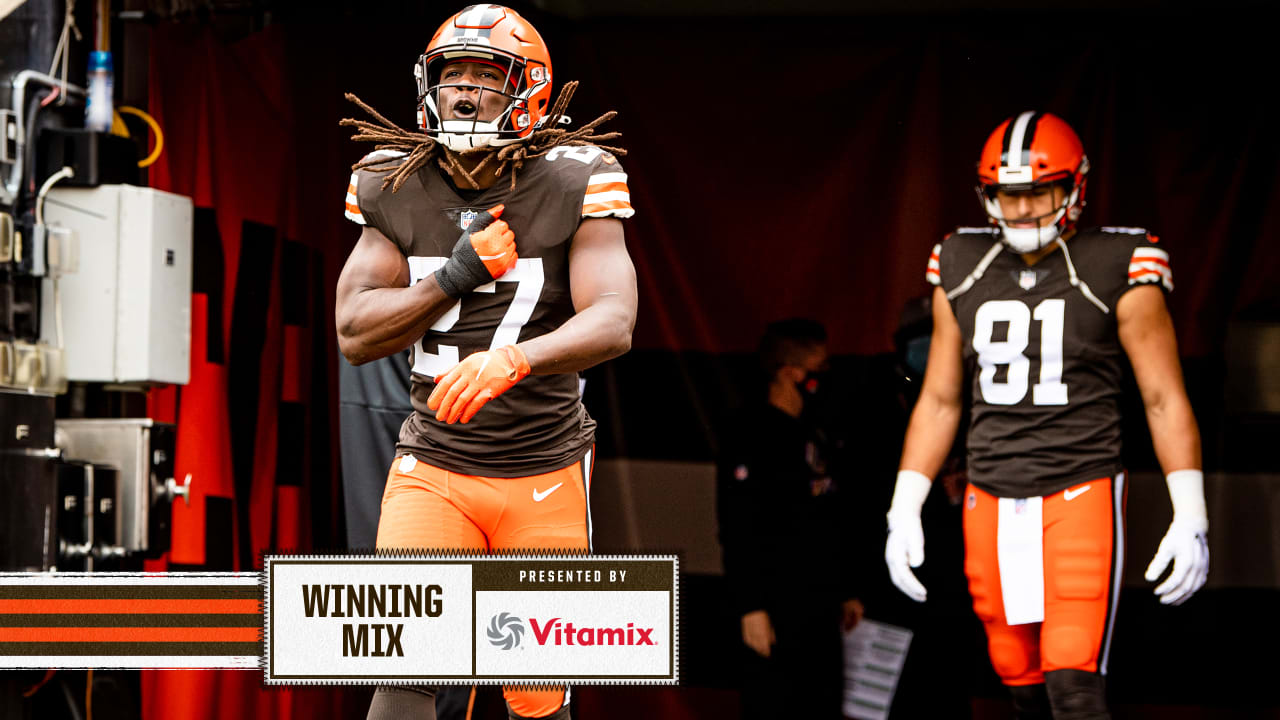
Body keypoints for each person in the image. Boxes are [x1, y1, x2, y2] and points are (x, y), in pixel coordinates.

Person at [334, 6, 638, 719]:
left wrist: (515, 360)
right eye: (452, 75)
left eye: (487, 76)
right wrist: (453, 274)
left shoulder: (577, 177)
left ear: (528, 90)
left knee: (534, 694)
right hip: (433, 468)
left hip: (543, 470)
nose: (465, 92)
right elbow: (353, 329)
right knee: (402, 671)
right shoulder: (394, 179)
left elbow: (614, 318)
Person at [883, 111, 1210, 720]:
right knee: (1018, 679)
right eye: (1010, 193)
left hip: (1078, 485)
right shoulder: (961, 261)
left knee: (1073, 679)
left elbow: (1163, 396)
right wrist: (905, 503)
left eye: (1039, 191)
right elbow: (940, 397)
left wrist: (1189, 509)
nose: (1025, 208)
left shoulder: (1121, 262)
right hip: (989, 492)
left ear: (1074, 188)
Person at [716, 318, 863, 720]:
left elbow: (830, 517)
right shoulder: (749, 432)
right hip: (775, 608)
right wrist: (750, 608)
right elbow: (737, 524)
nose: (825, 378)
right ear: (790, 371)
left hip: (821, 606)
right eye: (819, 368)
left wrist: (846, 589)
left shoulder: (816, 432)